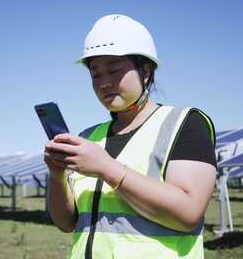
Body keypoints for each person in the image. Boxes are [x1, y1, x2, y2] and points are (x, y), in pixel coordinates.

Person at [44, 14, 217, 259]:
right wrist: (56, 174)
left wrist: (106, 168)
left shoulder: (185, 124)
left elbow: (188, 214)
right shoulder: (89, 138)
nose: (104, 83)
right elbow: (66, 223)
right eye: (95, 74)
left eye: (113, 71)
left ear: (145, 71)